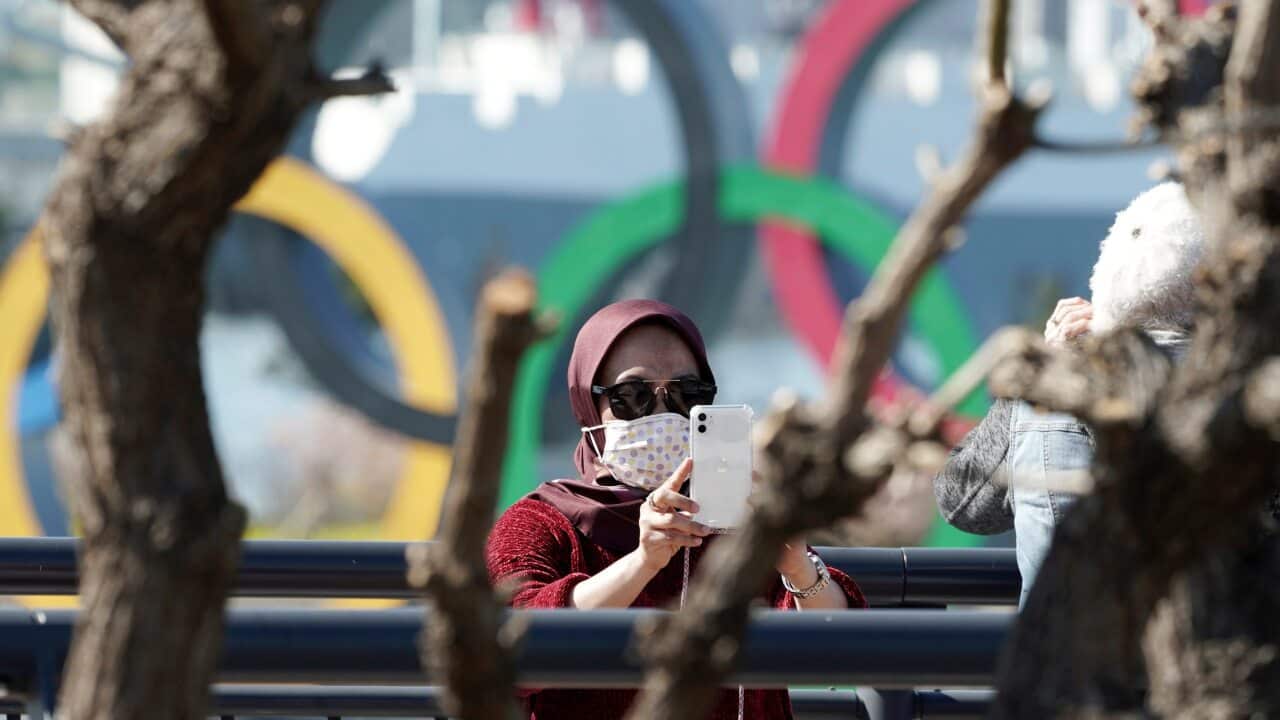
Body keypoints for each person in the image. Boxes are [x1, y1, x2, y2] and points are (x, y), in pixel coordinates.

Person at [487, 299, 866, 720]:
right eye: (632, 396)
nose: (664, 413)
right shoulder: (540, 521)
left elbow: (839, 649)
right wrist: (642, 563)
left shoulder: (733, 514)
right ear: (588, 405)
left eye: (689, 394)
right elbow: (510, 652)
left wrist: (796, 565)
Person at [933, 182, 1205, 607]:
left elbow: (962, 503)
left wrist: (1042, 376)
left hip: (1061, 656)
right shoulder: (1249, 389)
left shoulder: (1068, 385)